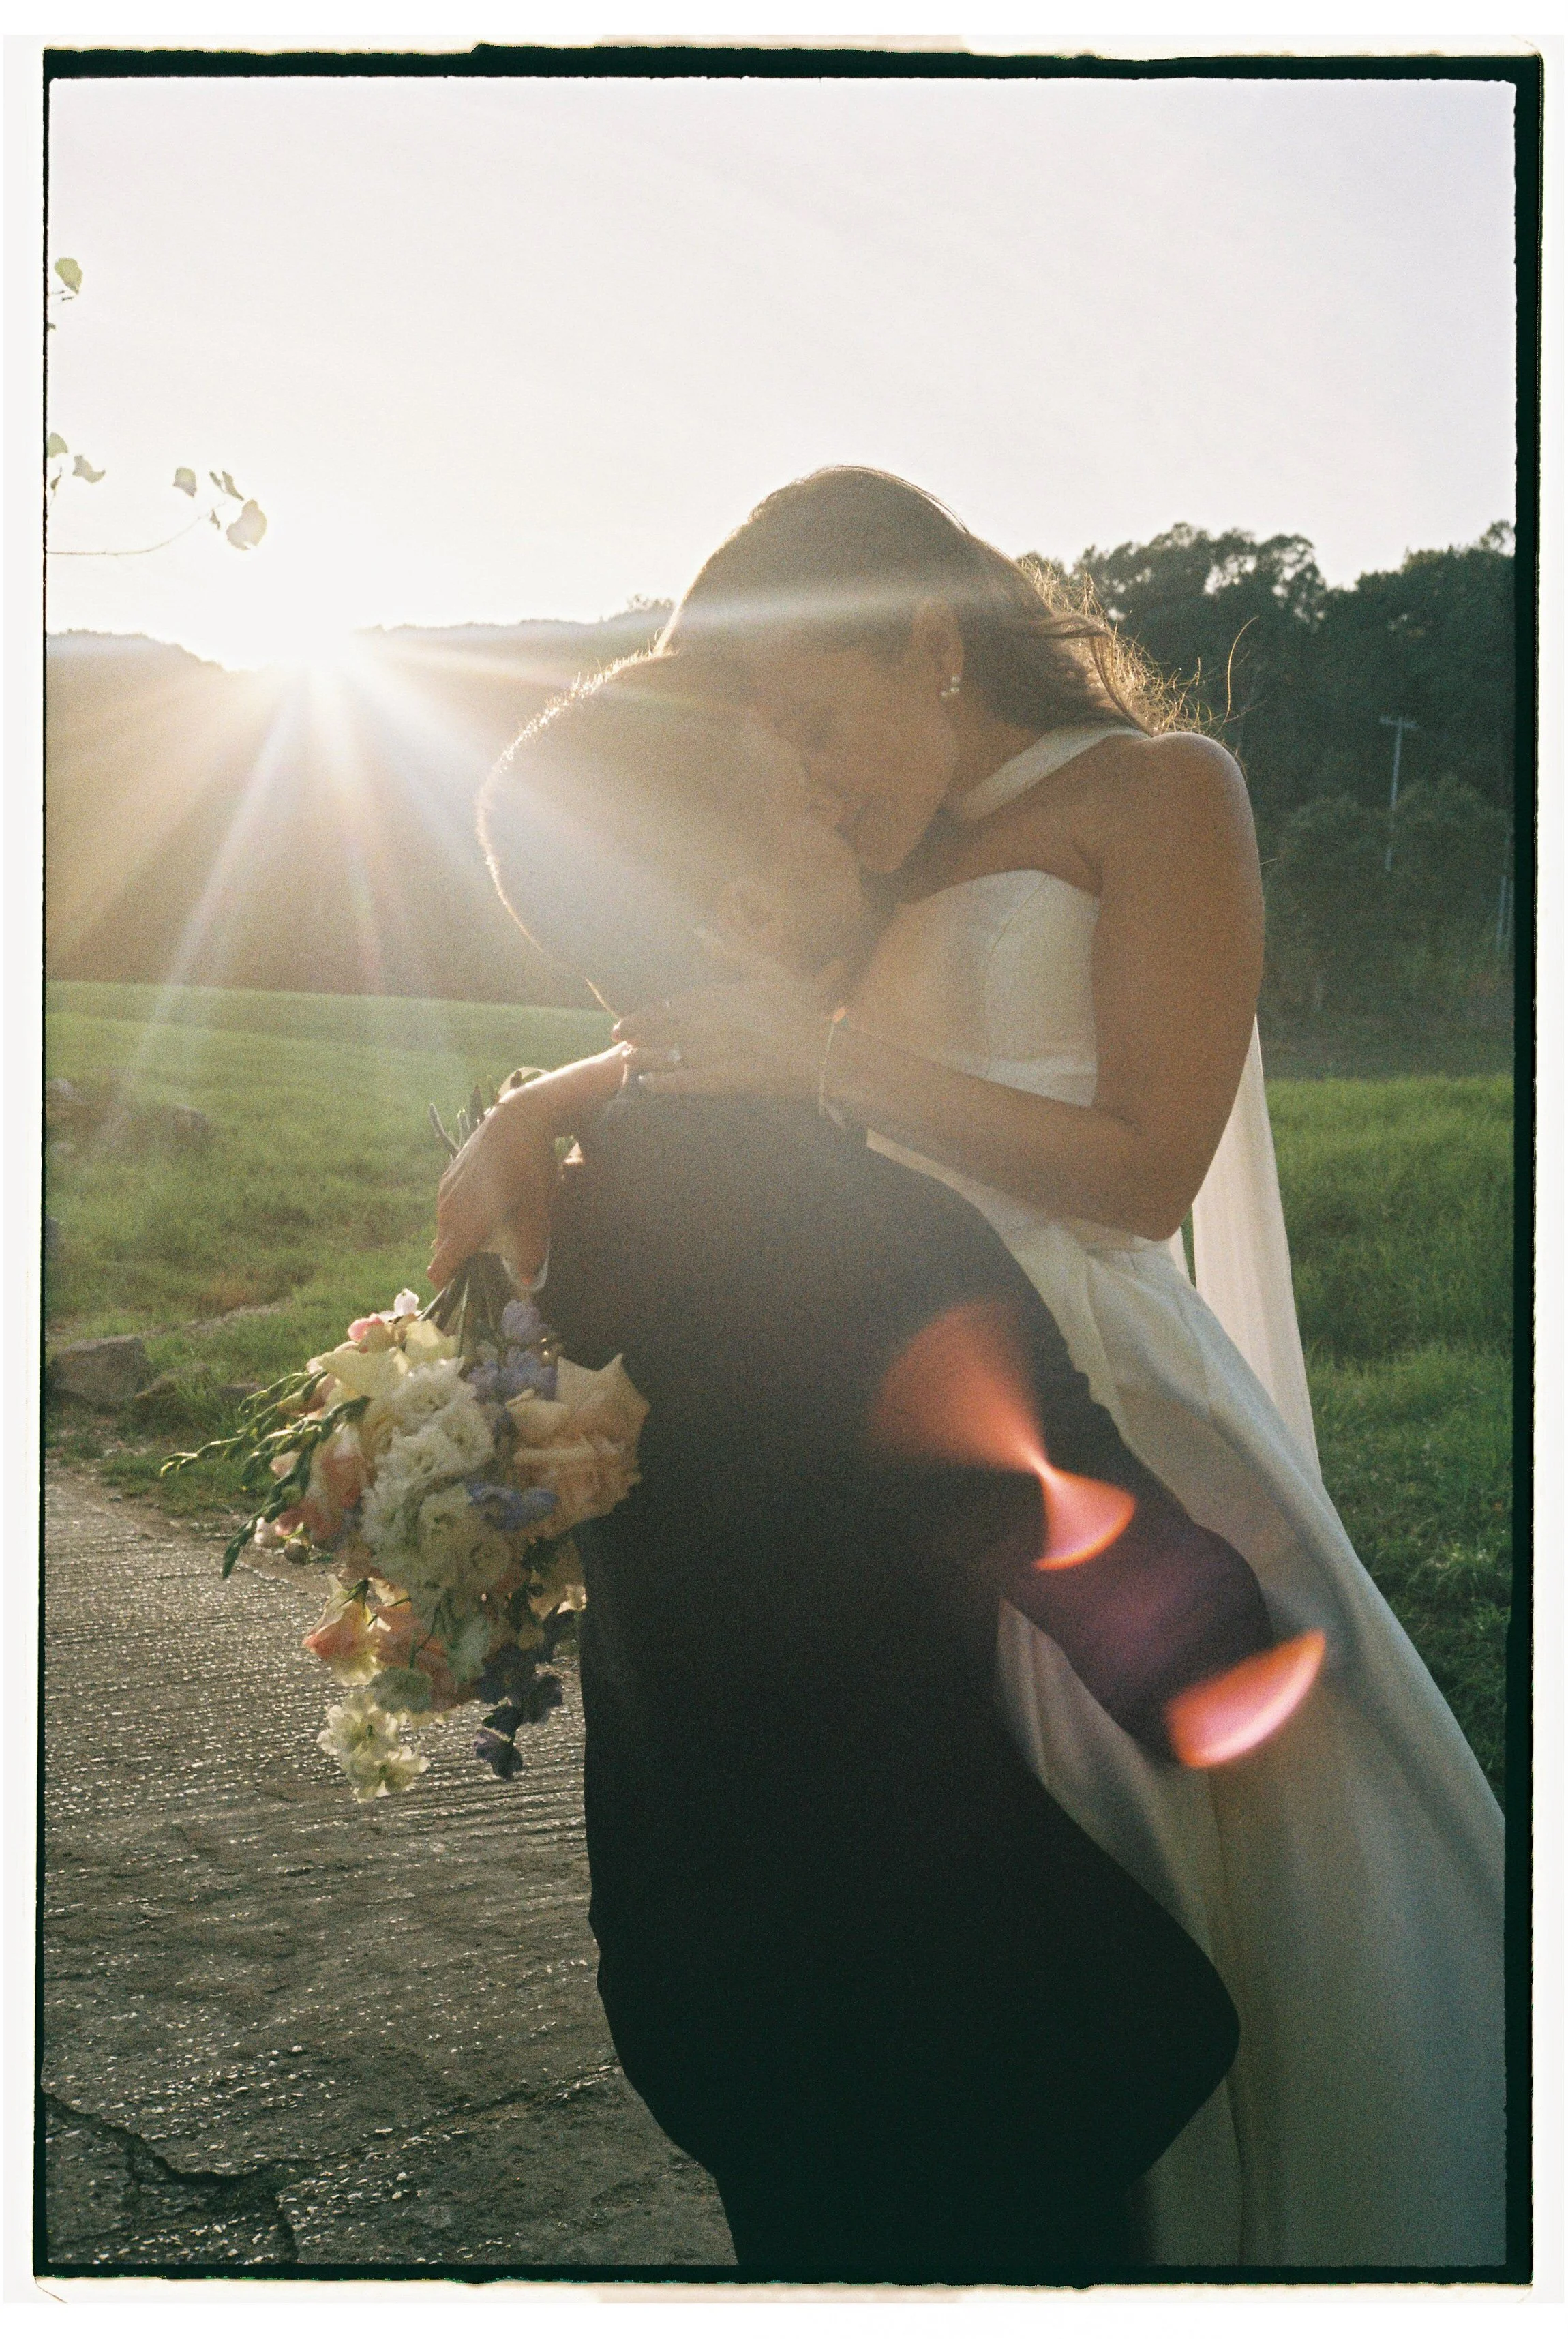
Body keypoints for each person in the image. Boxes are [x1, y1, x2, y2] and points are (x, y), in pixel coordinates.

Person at [585, 467, 1505, 2269]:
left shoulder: (1158, 791)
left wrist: (832, 1061)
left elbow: (1147, 1164)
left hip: (1100, 1382)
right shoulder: (874, 850)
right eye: (772, 743)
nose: (812, 776)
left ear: (934, 641)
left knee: (1218, 1839)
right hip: (905, 1398)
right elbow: (713, 1023)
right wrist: (520, 1124)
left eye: (821, 721)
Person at [442, 661, 1265, 2282]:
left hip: (696, 1976)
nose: (855, 830)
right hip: (934, 2025)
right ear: (750, 904)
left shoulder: (558, 1220)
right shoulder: (879, 1233)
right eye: (810, 809)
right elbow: (1174, 1649)